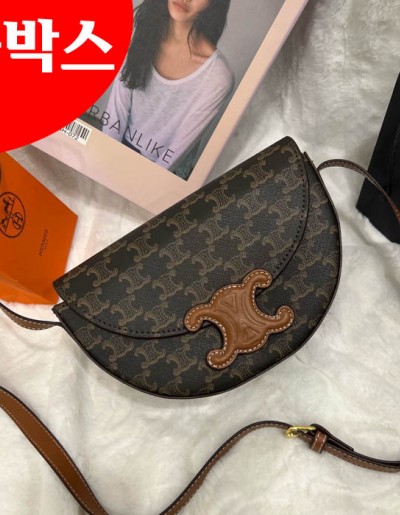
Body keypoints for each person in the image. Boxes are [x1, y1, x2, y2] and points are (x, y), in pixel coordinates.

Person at [102, 0, 234, 179]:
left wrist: (137, 184)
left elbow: (174, 156)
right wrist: (105, 163)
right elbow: (116, 112)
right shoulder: (140, 28)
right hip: (122, 149)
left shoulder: (218, 77)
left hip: (167, 174)